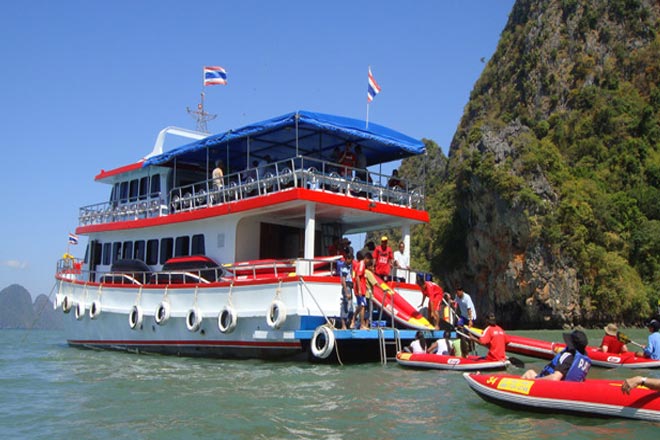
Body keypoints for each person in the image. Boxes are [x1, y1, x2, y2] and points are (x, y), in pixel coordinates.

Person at [522, 330, 592, 382]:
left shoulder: (568, 357)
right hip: (566, 385)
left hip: (551, 386)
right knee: (531, 372)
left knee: (528, 374)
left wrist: (536, 380)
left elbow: (555, 378)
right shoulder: (581, 358)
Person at [338, 253, 355, 330]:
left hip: (350, 286)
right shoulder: (344, 267)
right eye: (350, 260)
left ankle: (349, 322)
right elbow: (343, 280)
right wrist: (346, 292)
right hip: (347, 287)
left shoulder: (349, 267)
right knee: (345, 305)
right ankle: (343, 324)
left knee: (350, 306)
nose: (351, 262)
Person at [353, 251, 368, 329]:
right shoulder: (362, 264)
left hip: (362, 289)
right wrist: (359, 289)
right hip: (360, 289)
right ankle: (355, 319)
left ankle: (362, 324)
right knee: (362, 306)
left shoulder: (359, 264)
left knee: (363, 306)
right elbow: (358, 276)